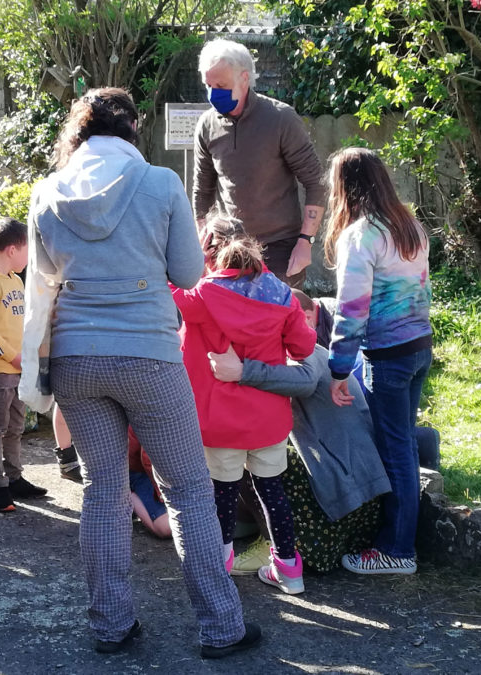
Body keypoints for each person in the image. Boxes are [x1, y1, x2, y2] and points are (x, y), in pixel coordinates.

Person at [22, 88, 259, 657]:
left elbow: (43, 281)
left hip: (78, 356)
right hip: (148, 355)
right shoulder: (159, 183)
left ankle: (110, 626)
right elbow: (184, 270)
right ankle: (222, 628)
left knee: (102, 489)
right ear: (132, 129)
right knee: (188, 492)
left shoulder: (47, 191)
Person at [173, 215, 315, 594]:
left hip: (218, 421)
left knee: (222, 496)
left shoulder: (201, 296)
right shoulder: (282, 296)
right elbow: (303, 347)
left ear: (212, 249)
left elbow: (166, 289)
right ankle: (289, 570)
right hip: (268, 419)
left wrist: (192, 259)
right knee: (273, 493)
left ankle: (219, 569)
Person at [208, 290, 393, 574]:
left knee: (252, 453)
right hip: (358, 493)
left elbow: (303, 382)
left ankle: (274, 544)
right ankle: (252, 529)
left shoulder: (309, 357)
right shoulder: (311, 354)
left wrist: (243, 370)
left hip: (349, 495)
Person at [326, 147, 433, 576]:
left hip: (387, 356)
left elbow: (352, 311)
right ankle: (402, 540)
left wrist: (337, 369)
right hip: (419, 347)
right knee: (403, 444)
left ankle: (396, 549)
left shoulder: (360, 235)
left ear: (344, 187)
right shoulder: (409, 226)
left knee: (395, 452)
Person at [192, 39, 327, 288]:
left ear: (244, 78)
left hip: (279, 250)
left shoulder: (280, 119)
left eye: (221, 85)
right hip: (228, 249)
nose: (213, 93)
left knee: (280, 324)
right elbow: (202, 192)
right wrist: (203, 244)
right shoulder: (207, 125)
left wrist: (305, 241)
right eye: (208, 85)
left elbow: (316, 183)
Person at [0, 216, 48, 512]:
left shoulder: (15, 279)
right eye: (28, 250)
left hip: (18, 370)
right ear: (12, 250)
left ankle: (14, 477)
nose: (30, 258)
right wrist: (14, 357)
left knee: (15, 427)